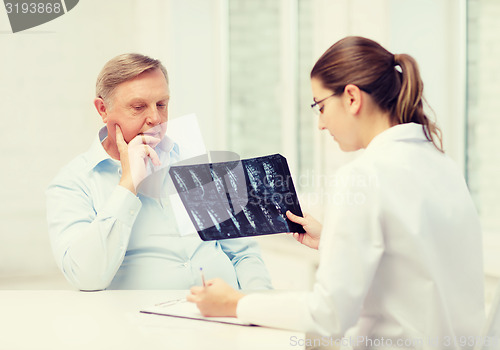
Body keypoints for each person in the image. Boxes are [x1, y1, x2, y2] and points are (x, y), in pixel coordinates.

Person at [187, 36, 485, 348]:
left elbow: (328, 315)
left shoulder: (362, 177)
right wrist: (332, 239)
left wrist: (235, 303)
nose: (321, 124)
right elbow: (413, 262)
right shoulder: (443, 164)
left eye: (321, 106)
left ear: (352, 98)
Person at [46, 53, 272, 291]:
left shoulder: (194, 161)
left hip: (226, 313)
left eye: (162, 105)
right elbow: (87, 278)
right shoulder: (72, 183)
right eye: (138, 107)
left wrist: (258, 306)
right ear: (103, 109)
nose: (155, 118)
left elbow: (244, 254)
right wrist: (128, 184)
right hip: (142, 323)